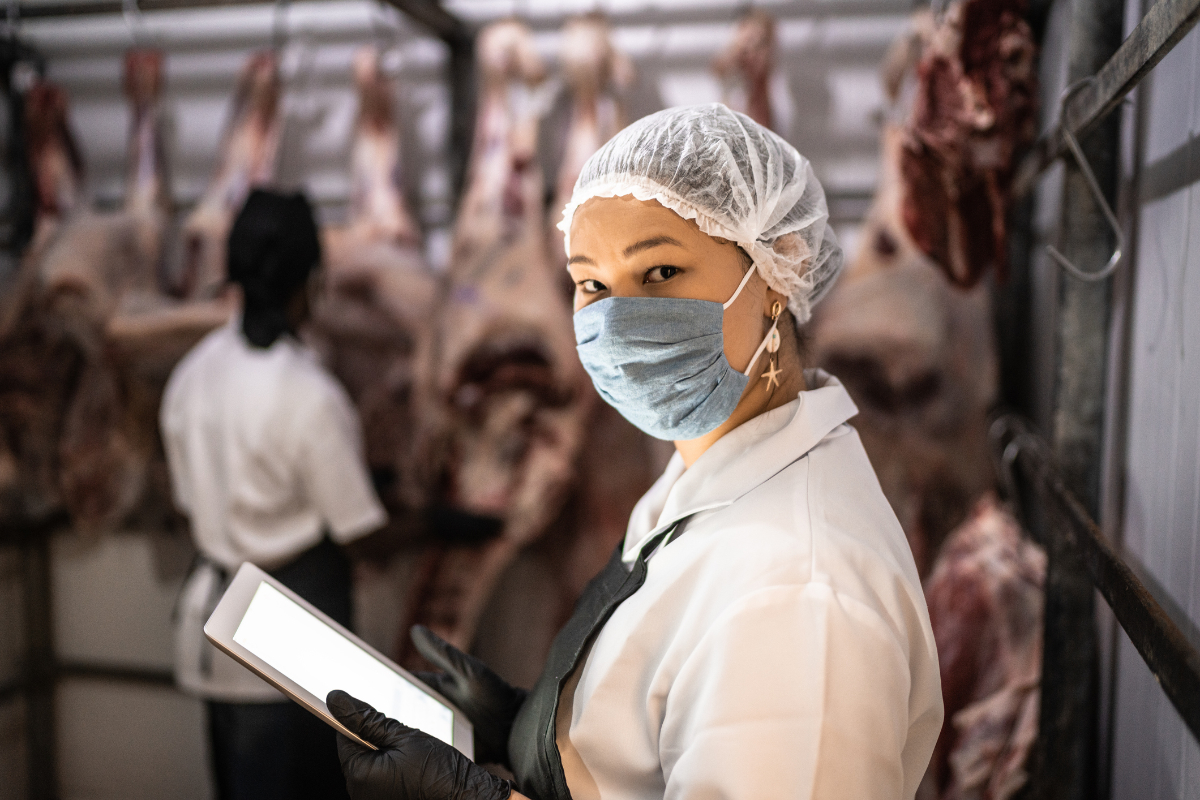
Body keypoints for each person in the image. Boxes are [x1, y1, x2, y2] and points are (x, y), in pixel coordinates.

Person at [325, 104, 944, 800]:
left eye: (659, 273)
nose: (614, 320)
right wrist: (538, 729)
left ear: (780, 271)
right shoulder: (713, 471)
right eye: (590, 284)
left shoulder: (798, 593)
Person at [163, 189, 388, 800]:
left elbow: (188, 506)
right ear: (312, 281)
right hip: (290, 644)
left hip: (216, 632)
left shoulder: (193, 374)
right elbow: (360, 532)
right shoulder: (309, 394)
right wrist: (440, 520)